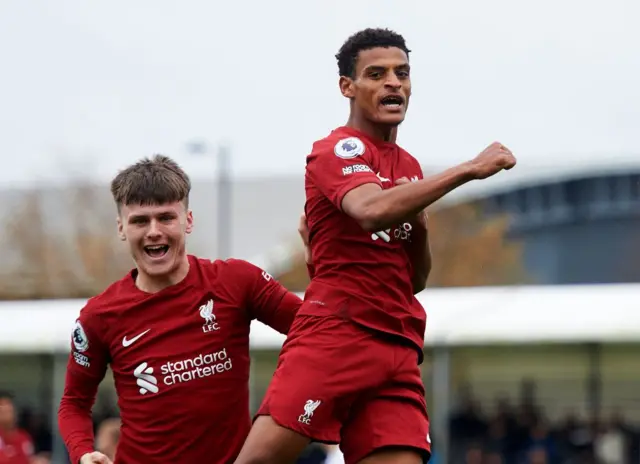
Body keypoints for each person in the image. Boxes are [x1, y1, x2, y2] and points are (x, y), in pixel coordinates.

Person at [234, 27, 516, 464]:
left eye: (402, 73)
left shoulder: (408, 166)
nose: (393, 83)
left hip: (397, 345)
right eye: (376, 74)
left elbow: (415, 279)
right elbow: (369, 210)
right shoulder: (335, 150)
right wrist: (468, 170)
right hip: (338, 335)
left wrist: (418, 226)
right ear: (347, 86)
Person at [57, 155, 303, 464]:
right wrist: (82, 453)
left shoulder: (237, 282)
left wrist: (284, 410)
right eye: (140, 221)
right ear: (121, 227)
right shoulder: (99, 316)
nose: (154, 231)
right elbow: (74, 403)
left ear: (188, 220)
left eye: (166, 218)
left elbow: (319, 332)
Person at [0, 392, 34, 464]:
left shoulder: (24, 438)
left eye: (9, 411)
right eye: (2, 412)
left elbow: (29, 459)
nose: (6, 415)